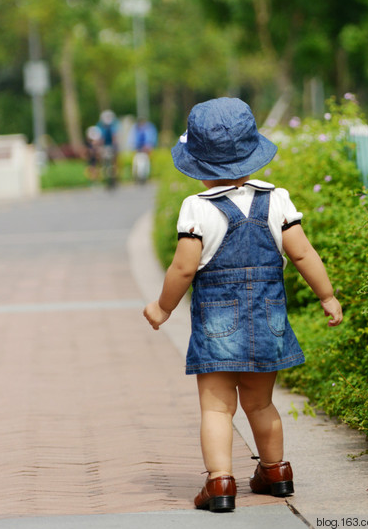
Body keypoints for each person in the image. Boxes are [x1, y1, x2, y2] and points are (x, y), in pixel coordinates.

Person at [143, 98, 343, 513]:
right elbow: (304, 254)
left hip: (218, 323)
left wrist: (163, 308)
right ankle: (276, 472)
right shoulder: (278, 200)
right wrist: (326, 295)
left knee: (217, 407)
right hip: (267, 319)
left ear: (197, 162)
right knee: (261, 403)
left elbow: (183, 269)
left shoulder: (198, 208)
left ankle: (219, 484)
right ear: (253, 152)